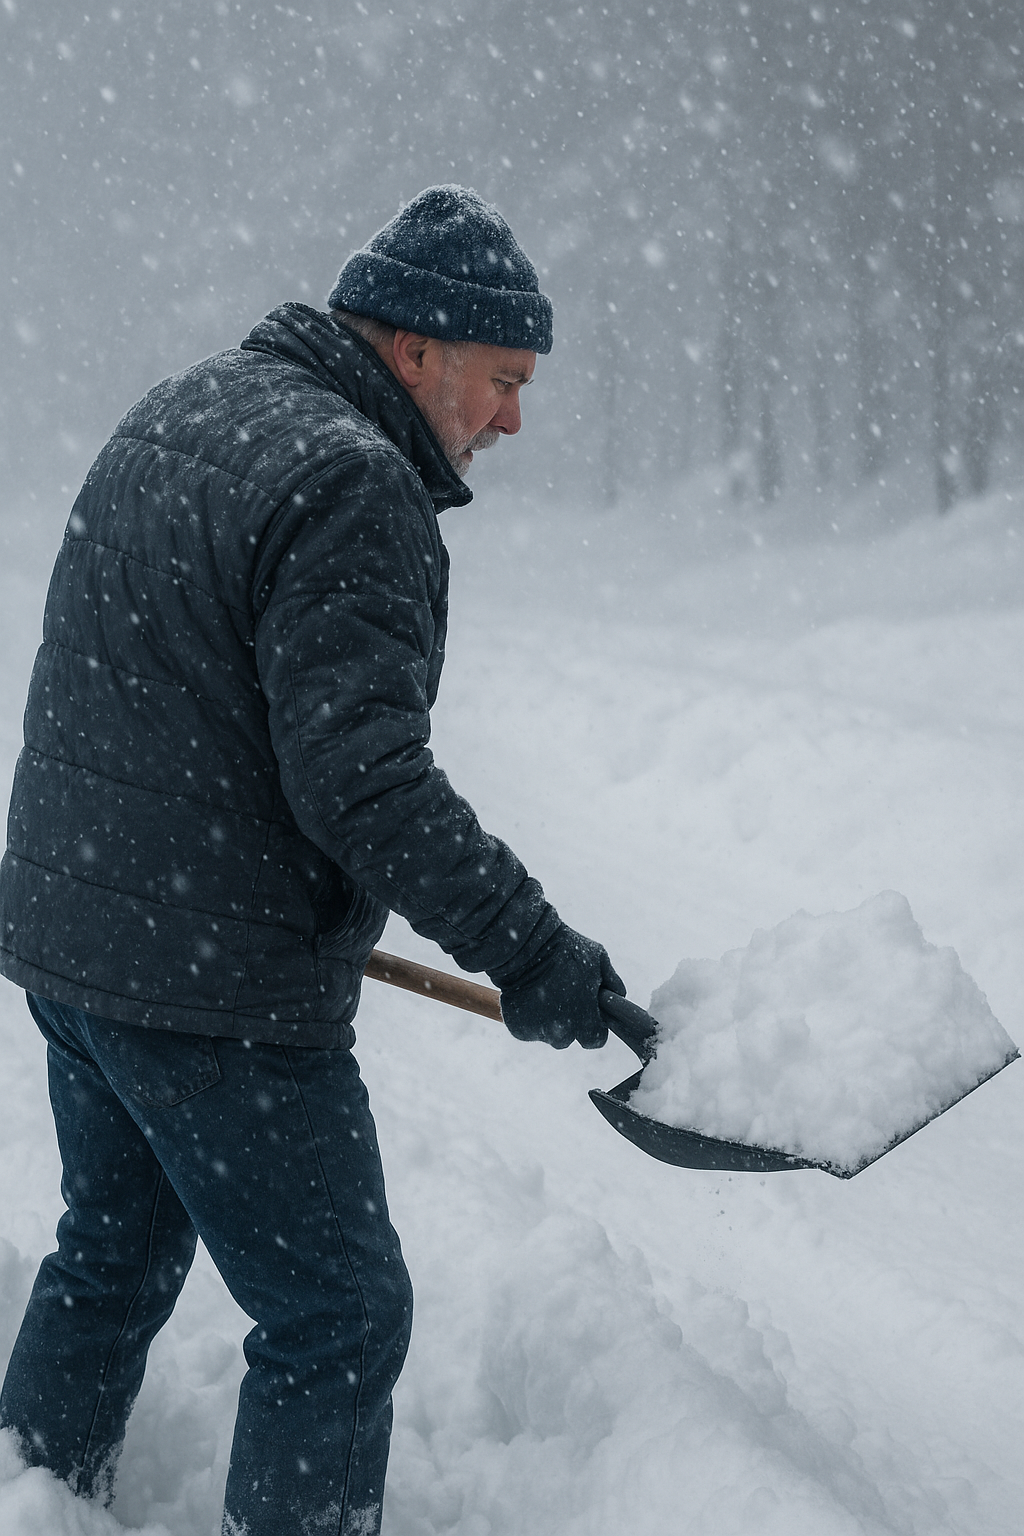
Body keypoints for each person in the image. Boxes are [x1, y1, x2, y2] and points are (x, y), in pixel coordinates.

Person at [0, 185, 625, 1535]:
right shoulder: (352, 479)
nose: (513, 418)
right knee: (339, 1315)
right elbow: (367, 785)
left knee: (110, 1251)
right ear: (414, 349)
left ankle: (31, 1498)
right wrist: (536, 955)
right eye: (504, 381)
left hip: (76, 942)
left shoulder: (188, 408)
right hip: (209, 989)